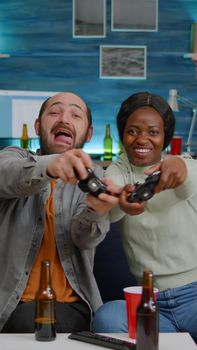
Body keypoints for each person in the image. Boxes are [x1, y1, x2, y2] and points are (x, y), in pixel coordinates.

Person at [0, 91, 120, 333]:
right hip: (14, 304)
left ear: (88, 134)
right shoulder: (13, 157)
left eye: (75, 115)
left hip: (74, 306)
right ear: (37, 126)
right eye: (54, 112)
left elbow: (83, 239)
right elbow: (7, 175)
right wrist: (51, 165)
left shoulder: (94, 176)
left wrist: (97, 210)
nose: (64, 119)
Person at [92, 91, 197, 343]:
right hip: (146, 297)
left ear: (165, 137)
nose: (142, 139)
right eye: (133, 131)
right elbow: (114, 203)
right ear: (122, 135)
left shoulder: (184, 164)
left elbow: (186, 178)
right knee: (107, 317)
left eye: (153, 132)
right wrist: (122, 201)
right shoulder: (118, 170)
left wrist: (178, 167)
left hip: (194, 294)